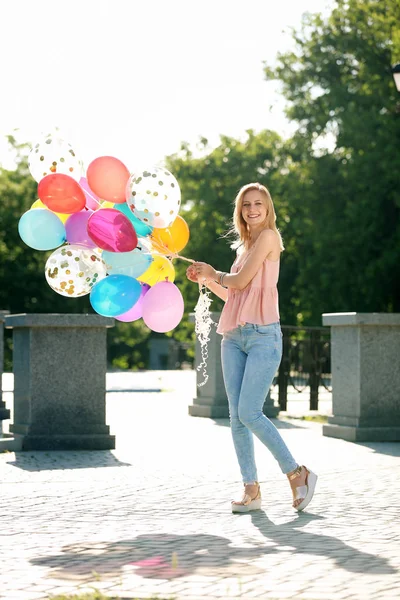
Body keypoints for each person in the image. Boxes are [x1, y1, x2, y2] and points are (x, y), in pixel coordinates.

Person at [186, 182, 317, 513]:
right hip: (234, 337)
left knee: (249, 412)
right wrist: (208, 279)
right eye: (246, 205)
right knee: (236, 416)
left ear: (268, 207)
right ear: (240, 211)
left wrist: (215, 272)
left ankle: (297, 473)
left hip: (263, 337)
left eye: (259, 203)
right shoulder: (243, 248)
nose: (252, 209)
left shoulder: (270, 238)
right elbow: (235, 296)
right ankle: (251, 490)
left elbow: (242, 281)